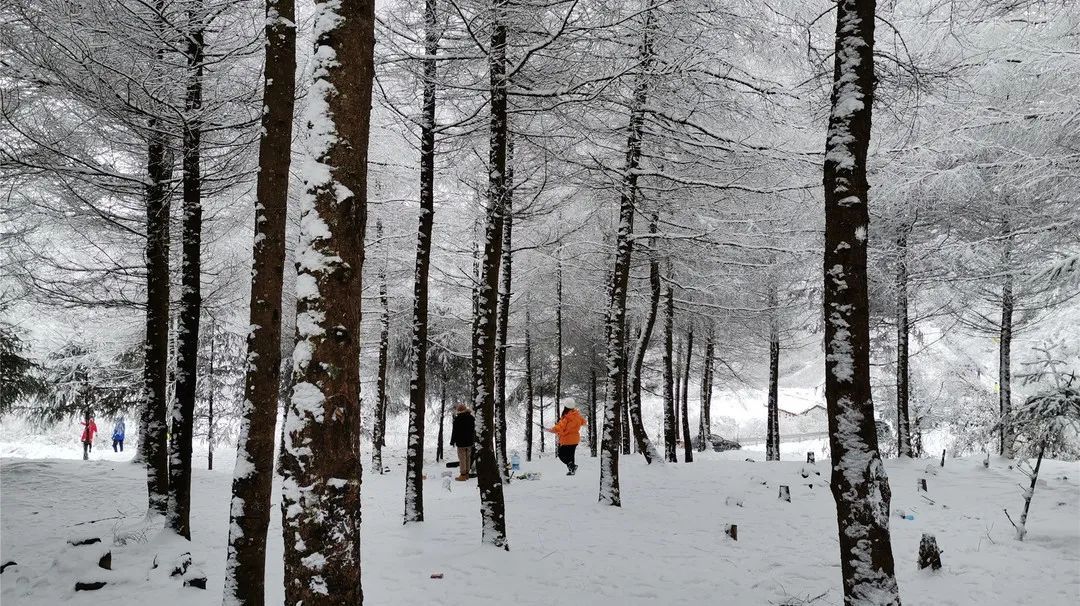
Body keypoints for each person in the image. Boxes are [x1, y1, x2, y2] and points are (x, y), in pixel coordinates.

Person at [547, 399, 586, 475]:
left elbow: (560, 427)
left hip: (567, 439)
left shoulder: (567, 417)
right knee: (571, 455)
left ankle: (571, 466)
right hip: (575, 439)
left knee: (560, 454)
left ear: (565, 407)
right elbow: (583, 422)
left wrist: (551, 430)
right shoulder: (577, 415)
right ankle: (572, 470)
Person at [449, 404, 475, 481]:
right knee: (468, 457)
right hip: (470, 442)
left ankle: (463, 475)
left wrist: (452, 441)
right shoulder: (471, 418)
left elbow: (455, 431)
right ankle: (467, 474)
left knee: (462, 458)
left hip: (461, 442)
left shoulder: (458, 419)